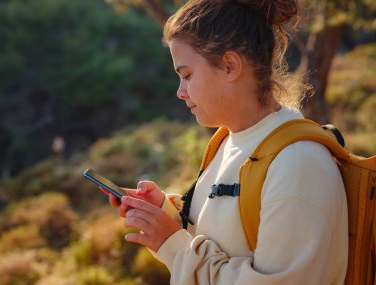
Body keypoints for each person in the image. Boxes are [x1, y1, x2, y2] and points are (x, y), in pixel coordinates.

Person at [100, 0, 348, 284]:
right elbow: (223, 242)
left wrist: (173, 244)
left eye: (187, 75)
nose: (180, 92)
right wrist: (165, 214)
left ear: (230, 66)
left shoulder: (297, 164)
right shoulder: (229, 141)